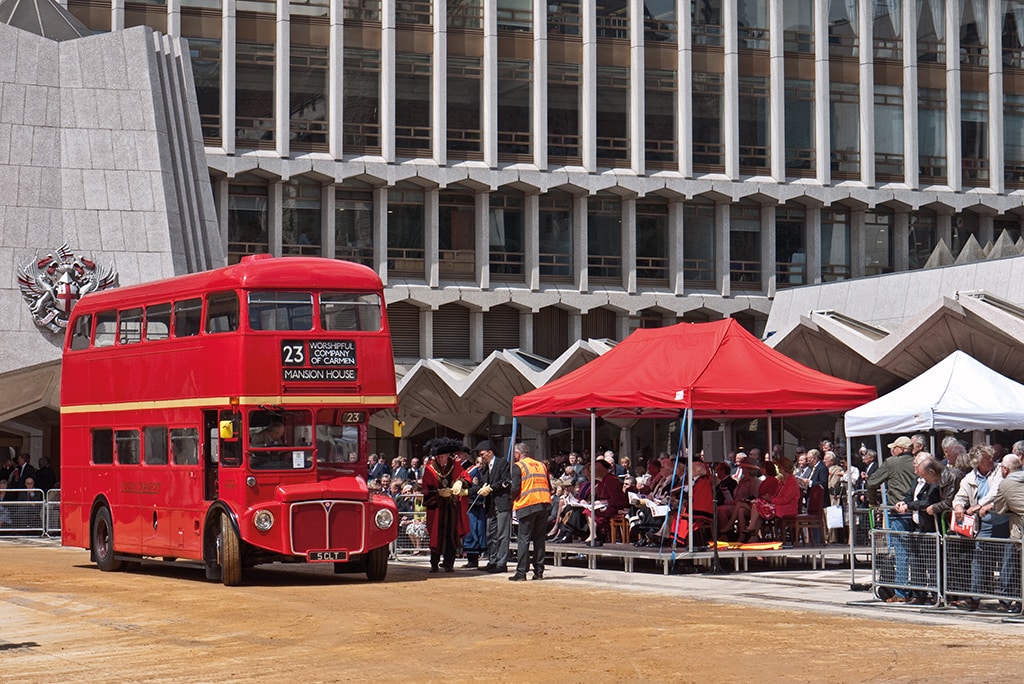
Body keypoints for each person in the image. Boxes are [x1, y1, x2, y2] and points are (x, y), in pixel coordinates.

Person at [952, 444, 1008, 611]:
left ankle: (1005, 601)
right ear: (977, 463)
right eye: (987, 459)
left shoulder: (1000, 471)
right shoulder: (969, 478)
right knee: (980, 561)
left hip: (1004, 523)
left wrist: (978, 506)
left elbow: (997, 492)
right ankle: (974, 598)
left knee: (1007, 563)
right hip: (984, 525)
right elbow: (959, 496)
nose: (991, 460)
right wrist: (958, 507)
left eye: (991, 457)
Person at [421, 437, 471, 573]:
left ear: (447, 455)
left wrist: (460, 482)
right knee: (436, 536)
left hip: (452, 508)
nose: (440, 459)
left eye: (442, 456)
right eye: (438, 456)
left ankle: (449, 563)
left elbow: (466, 477)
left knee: (451, 536)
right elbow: (426, 488)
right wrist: (437, 493)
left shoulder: (455, 465)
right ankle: (434, 564)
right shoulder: (430, 468)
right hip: (437, 508)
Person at [509, 442, 552, 581]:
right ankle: (538, 572)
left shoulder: (519, 466)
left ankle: (521, 572)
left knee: (524, 539)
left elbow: (515, 488)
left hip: (528, 504)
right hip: (544, 504)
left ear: (517, 454)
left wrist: (509, 499)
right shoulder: (541, 465)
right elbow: (549, 485)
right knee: (539, 539)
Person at [475, 439, 512, 573]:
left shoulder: (502, 463)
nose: (482, 456)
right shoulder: (485, 468)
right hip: (490, 505)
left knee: (502, 534)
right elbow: (482, 484)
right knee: (490, 534)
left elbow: (506, 481)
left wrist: (491, 488)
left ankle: (501, 564)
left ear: (490, 453)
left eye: (483, 454)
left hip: (502, 503)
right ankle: (492, 560)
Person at [994, 454, 1024, 613]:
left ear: (1005, 470)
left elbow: (999, 509)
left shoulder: (1006, 483)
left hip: (1019, 532)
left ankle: (1020, 603)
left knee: (1018, 569)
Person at [461, 453, 488, 568]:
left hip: (472, 504)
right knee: (466, 532)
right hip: (463, 504)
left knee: (473, 531)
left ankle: (473, 560)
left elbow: (476, 486)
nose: (456, 456)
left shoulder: (473, 470)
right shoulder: (459, 469)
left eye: (458, 454)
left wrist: (466, 492)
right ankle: (469, 558)